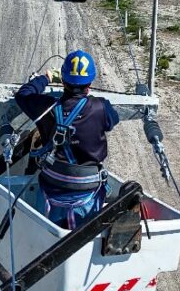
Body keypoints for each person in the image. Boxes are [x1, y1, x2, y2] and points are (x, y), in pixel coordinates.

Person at [15, 50, 120, 229]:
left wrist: (46, 78)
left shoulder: (46, 107)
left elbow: (23, 94)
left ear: (62, 80)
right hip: (88, 192)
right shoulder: (101, 107)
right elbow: (112, 121)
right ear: (90, 83)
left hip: (51, 187)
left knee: (48, 237)